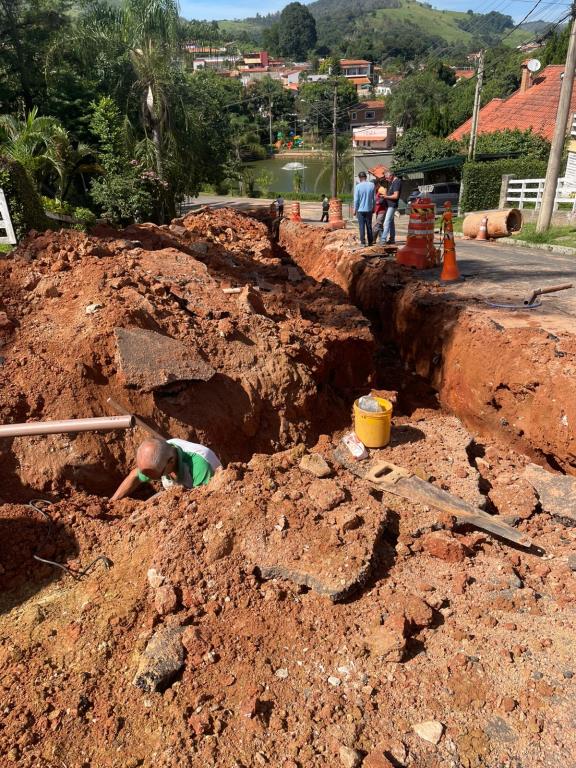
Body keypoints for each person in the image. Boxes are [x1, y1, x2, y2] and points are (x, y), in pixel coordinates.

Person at [111, 437, 222, 501]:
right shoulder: (159, 455)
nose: (155, 479)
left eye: (159, 476)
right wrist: (111, 503)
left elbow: (204, 500)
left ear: (171, 461)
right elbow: (135, 476)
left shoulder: (200, 464)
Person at [380, 170, 402, 245]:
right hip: (390, 205)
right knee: (391, 223)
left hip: (392, 205)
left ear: (391, 176)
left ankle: (383, 239)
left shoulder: (396, 182)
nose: (386, 179)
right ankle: (392, 239)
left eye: (387, 178)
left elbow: (396, 196)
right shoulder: (393, 182)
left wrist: (386, 196)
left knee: (386, 222)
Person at [353, 171, 375, 246]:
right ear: (366, 177)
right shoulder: (372, 185)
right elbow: (374, 198)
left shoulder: (358, 187)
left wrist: (355, 210)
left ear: (360, 178)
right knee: (369, 226)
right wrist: (373, 208)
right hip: (369, 209)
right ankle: (370, 242)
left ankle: (363, 242)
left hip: (360, 210)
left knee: (361, 226)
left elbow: (356, 200)